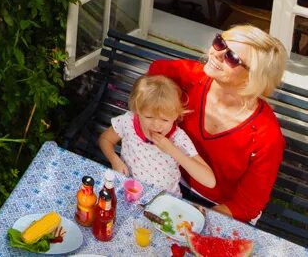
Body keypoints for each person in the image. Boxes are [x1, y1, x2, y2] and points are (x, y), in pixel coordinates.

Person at [149, 26, 288, 223]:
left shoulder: (266, 136)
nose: (216, 54)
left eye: (231, 57)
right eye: (220, 42)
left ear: (253, 77)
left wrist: (196, 217)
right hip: (171, 179)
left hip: (217, 207)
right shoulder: (193, 79)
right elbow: (156, 71)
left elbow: (246, 206)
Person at [98, 74, 216, 194]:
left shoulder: (178, 138)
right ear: (137, 111)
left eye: (165, 120)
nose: (156, 125)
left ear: (175, 116)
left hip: (164, 199)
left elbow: (210, 181)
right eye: (149, 117)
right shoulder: (128, 121)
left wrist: (172, 149)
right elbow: (105, 139)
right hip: (128, 191)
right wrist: (114, 159)